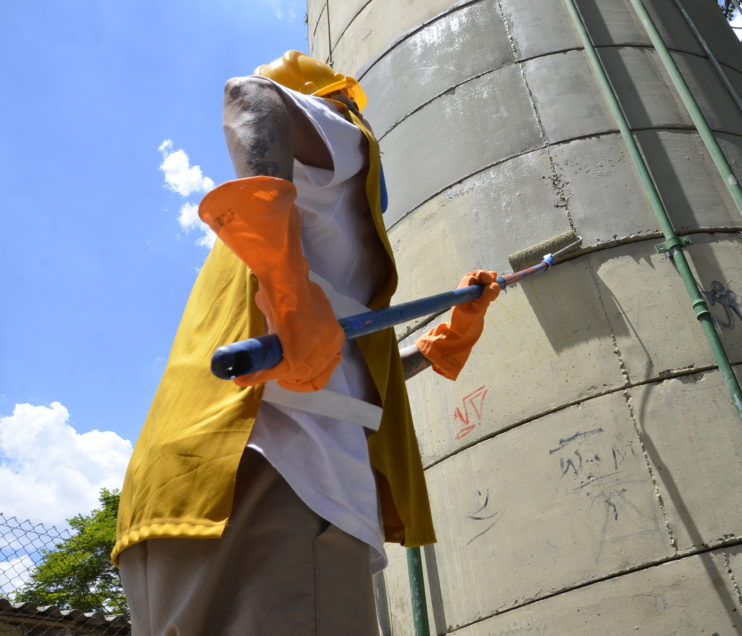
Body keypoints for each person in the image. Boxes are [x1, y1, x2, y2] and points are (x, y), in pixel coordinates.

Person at [112, 50, 500, 635]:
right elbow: (248, 95)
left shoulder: (266, 250)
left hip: (178, 499)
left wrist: (445, 341)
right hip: (284, 480)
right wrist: (289, 288)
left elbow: (317, 358)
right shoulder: (339, 131)